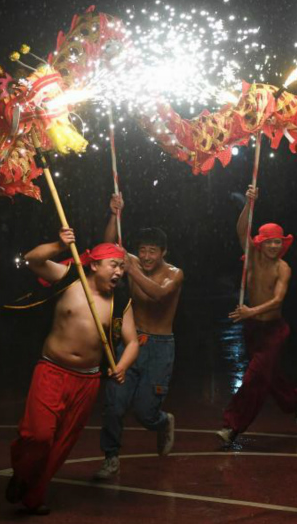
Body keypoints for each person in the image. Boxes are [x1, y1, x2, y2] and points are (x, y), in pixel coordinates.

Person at [6, 227, 140, 514]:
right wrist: (58, 243)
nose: (119, 272)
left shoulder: (120, 302)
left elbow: (132, 342)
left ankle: (33, 496)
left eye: (122, 267)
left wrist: (122, 365)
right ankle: (23, 471)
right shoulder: (69, 279)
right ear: (94, 264)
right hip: (52, 371)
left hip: (88, 380)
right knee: (38, 436)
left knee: (61, 444)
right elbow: (32, 260)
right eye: (113, 265)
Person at [94, 194, 184, 480]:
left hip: (160, 346)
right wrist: (113, 214)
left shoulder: (174, 273)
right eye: (142, 250)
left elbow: (158, 295)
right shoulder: (129, 261)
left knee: (145, 412)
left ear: (163, 252)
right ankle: (110, 457)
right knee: (115, 404)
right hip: (131, 341)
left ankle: (162, 422)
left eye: (152, 251)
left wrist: (132, 269)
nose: (145, 256)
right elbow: (107, 248)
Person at [217, 185, 297, 444]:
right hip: (252, 329)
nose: (274, 246)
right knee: (268, 376)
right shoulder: (253, 258)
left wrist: (249, 311)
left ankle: (232, 426)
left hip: (274, 330)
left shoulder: (284, 268)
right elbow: (241, 230)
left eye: (278, 241)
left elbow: (278, 300)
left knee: (254, 377)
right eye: (270, 242)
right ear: (261, 243)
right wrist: (248, 202)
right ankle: (296, 398)